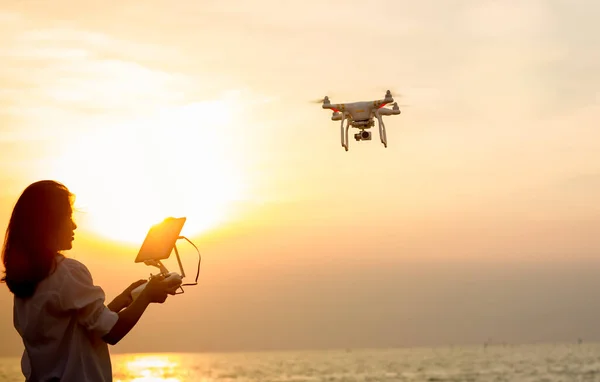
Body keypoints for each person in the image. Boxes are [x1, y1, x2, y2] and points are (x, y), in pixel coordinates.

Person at [1, 180, 182, 381]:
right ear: (49, 222)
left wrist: (124, 299)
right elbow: (112, 333)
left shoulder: (27, 280)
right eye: (68, 217)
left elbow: (86, 328)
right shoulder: (66, 272)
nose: (74, 225)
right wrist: (146, 295)